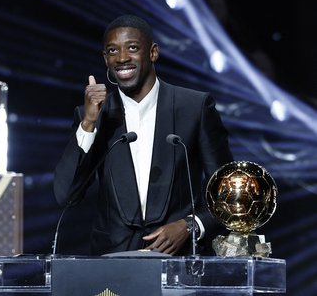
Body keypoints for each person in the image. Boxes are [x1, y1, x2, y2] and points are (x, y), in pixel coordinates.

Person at [54, 15, 233, 256]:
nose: (122, 58)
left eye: (132, 48)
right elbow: (66, 196)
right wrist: (88, 123)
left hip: (179, 264)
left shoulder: (194, 107)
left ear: (153, 53)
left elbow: (226, 192)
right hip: (112, 267)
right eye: (112, 50)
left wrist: (190, 225)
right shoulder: (94, 115)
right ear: (105, 59)